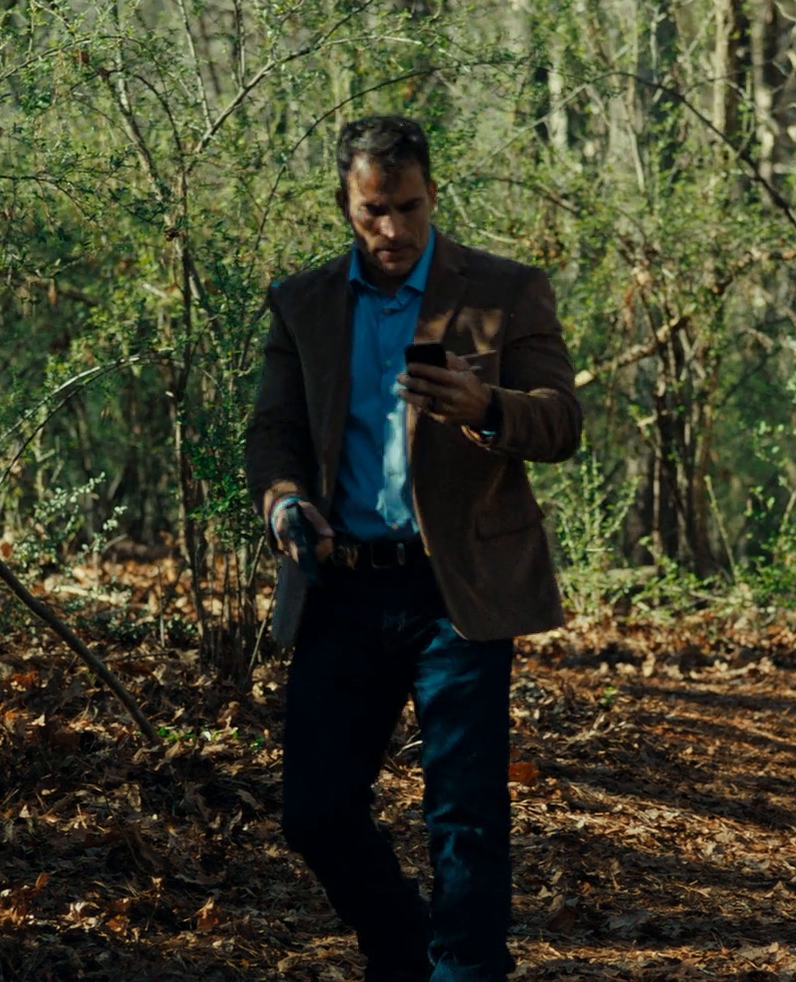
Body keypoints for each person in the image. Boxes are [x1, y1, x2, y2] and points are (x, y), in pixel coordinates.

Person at [244, 115, 582, 982]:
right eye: (373, 211)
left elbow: (561, 422)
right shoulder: (304, 302)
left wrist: (488, 408)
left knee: (465, 813)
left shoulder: (504, 289)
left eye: (408, 207)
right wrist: (284, 501)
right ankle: (404, 951)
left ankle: (467, 971)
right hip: (342, 586)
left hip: (457, 588)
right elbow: (275, 434)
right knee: (315, 811)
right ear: (345, 205)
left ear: (433, 196)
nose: (392, 229)